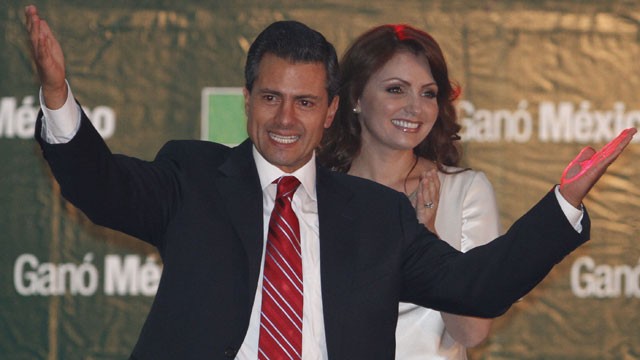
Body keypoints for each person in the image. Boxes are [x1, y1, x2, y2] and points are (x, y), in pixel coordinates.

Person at [25, 5, 635, 359]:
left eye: (304, 102)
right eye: (271, 98)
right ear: (247, 100)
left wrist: (564, 203)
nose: (286, 119)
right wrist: (58, 98)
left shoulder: (376, 214)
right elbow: (101, 187)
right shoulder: (193, 178)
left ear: (330, 107)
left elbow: (476, 288)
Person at [318, 24, 498, 359]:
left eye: (428, 93)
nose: (415, 108)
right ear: (356, 96)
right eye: (396, 90)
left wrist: (427, 237)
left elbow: (472, 332)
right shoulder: (316, 191)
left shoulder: (465, 191)